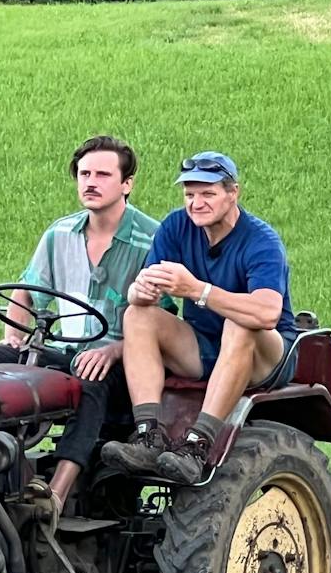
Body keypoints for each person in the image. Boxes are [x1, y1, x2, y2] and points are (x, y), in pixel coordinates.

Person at [0, 135, 167, 517]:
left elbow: (163, 319)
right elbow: (26, 292)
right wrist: (14, 338)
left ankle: (56, 492)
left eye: (102, 174)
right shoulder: (59, 234)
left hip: (125, 364)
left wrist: (115, 348)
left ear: (127, 184)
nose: (90, 182)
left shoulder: (151, 239)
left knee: (90, 378)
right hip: (67, 353)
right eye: (84, 173)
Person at [100, 150, 299, 484]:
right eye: (190, 194)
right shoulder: (177, 226)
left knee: (240, 321)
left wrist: (197, 290)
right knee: (138, 316)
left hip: (266, 354)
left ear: (233, 193)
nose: (196, 203)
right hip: (206, 345)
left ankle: (199, 445)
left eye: (208, 194)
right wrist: (141, 292)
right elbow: (141, 287)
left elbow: (267, 313)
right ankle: (148, 435)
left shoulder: (261, 240)